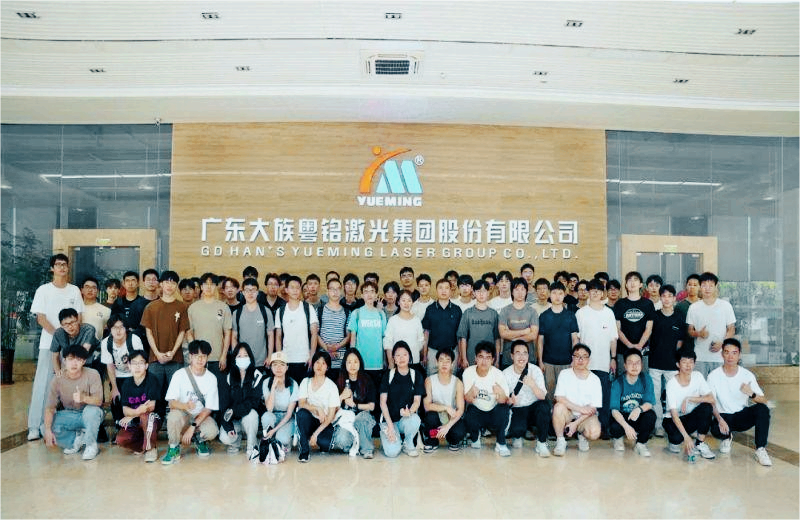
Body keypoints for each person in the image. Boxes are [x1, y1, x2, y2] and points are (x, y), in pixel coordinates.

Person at [27, 253, 84, 441]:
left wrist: (69, 338)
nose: (62, 267)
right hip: (48, 345)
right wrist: (59, 335)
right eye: (58, 264)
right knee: (43, 385)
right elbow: (41, 318)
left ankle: (59, 425)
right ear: (52, 268)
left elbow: (79, 317)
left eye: (64, 264)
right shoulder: (43, 290)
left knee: (69, 385)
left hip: (70, 347)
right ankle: (35, 426)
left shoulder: (74, 290)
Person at [708, 338, 773, 466]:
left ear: (739, 355)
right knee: (714, 428)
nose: (730, 357)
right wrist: (719, 419)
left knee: (762, 409)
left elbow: (764, 400)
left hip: (741, 416)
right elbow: (711, 402)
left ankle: (760, 449)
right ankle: (726, 437)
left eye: (734, 353)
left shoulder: (747, 375)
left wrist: (751, 393)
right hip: (723, 417)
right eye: (727, 352)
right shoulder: (713, 376)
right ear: (722, 354)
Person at [161, 340, 220, 464]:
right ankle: (174, 447)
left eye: (203, 356)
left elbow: (208, 409)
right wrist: (185, 405)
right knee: (173, 417)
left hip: (200, 416)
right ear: (190, 357)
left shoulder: (211, 378)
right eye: (196, 355)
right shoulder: (179, 375)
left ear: (207, 358)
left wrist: (192, 427)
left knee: (212, 431)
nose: (200, 359)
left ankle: (200, 440)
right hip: (183, 413)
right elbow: (171, 402)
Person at [42, 344, 103, 460]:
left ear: (84, 361)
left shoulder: (93, 374)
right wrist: (48, 430)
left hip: (89, 414)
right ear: (64, 361)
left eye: (78, 360)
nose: (74, 364)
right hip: (70, 414)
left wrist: (84, 398)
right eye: (70, 359)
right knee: (44, 427)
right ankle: (75, 440)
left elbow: (99, 401)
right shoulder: (57, 379)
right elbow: (50, 408)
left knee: (92, 411)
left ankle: (91, 445)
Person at [141, 270, 190, 415]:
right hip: (155, 359)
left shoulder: (181, 307)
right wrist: (157, 353)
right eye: (167, 282)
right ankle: (155, 422)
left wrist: (173, 352)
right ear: (161, 284)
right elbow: (148, 332)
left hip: (175, 358)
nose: (170, 285)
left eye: (173, 283)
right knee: (154, 393)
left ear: (176, 286)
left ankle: (175, 422)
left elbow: (182, 332)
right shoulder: (151, 307)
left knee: (176, 394)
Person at [576, 279, 617, 436]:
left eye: (598, 290)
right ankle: (582, 428)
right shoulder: (581, 313)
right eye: (592, 290)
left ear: (602, 293)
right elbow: (576, 339)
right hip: (584, 365)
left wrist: (613, 358)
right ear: (588, 292)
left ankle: (604, 427)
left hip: (603, 363)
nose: (595, 293)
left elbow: (613, 339)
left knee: (604, 396)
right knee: (583, 397)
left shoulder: (609, 313)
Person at [663, 347, 716, 461]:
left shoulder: (697, 376)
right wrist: (686, 437)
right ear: (678, 364)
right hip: (673, 419)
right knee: (677, 439)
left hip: (690, 416)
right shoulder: (671, 384)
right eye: (684, 362)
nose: (688, 365)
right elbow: (674, 415)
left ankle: (700, 443)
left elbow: (712, 399)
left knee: (706, 407)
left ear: (694, 364)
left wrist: (690, 399)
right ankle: (677, 439)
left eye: (691, 362)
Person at [552, 344, 603, 456]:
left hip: (585, 416)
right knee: (558, 407)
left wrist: (575, 424)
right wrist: (580, 409)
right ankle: (560, 441)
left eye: (584, 356)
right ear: (572, 358)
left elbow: (593, 408)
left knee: (594, 433)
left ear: (588, 360)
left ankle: (582, 436)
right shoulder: (564, 374)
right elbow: (559, 397)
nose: (581, 360)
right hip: (568, 413)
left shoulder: (595, 379)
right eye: (577, 356)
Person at [463, 341, 511, 457]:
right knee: (470, 411)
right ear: (475, 358)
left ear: (493, 360)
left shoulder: (498, 374)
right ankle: (475, 436)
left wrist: (500, 393)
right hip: (477, 411)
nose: (484, 361)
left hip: (493, 412)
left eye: (488, 357)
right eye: (481, 357)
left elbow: (504, 400)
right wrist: (471, 392)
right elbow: (467, 399)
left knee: (504, 409)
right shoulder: (468, 372)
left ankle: (501, 443)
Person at [503, 340, 551, 457]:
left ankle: (541, 443)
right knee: (517, 431)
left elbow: (542, 396)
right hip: (517, 409)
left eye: (525, 353)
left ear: (528, 356)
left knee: (544, 406)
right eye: (518, 353)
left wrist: (533, 385)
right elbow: (503, 400)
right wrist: (509, 401)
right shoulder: (505, 373)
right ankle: (518, 434)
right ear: (512, 356)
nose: (521, 357)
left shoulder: (535, 370)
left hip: (534, 408)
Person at [648, 284, 685, 436]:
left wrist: (676, 358)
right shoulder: (654, 315)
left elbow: (680, 342)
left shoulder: (679, 317)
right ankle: (658, 425)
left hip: (672, 364)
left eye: (670, 296)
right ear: (660, 298)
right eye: (664, 296)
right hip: (655, 363)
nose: (667, 299)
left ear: (674, 298)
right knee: (655, 395)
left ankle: (673, 423)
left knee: (672, 395)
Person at [218, 342, 264, 460]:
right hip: (233, 420)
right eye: (239, 356)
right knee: (224, 437)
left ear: (250, 358)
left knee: (252, 415)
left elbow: (253, 402)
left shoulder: (257, 375)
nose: (242, 358)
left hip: (248, 418)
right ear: (234, 359)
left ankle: (251, 446)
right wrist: (228, 427)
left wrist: (234, 410)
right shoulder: (227, 376)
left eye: (245, 355)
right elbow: (223, 406)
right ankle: (235, 442)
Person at [379, 341, 425, 457]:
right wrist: (390, 426)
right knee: (392, 453)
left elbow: (417, 401)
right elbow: (383, 403)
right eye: (398, 355)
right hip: (389, 420)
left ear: (409, 356)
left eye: (404, 354)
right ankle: (392, 438)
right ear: (393, 359)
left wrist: (409, 411)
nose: (401, 358)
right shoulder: (388, 375)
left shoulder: (416, 375)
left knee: (415, 419)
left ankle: (408, 443)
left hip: (405, 419)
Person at [686, 272, 736, 377]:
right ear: (700, 287)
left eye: (711, 286)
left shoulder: (725, 306)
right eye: (704, 285)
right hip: (700, 357)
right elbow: (690, 331)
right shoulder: (693, 307)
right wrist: (698, 333)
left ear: (716, 287)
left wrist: (722, 344)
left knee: (719, 386)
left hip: (720, 357)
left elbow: (731, 329)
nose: (707, 289)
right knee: (700, 386)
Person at [116, 350, 162, 462]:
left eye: (141, 363)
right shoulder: (126, 384)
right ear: (129, 366)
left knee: (146, 416)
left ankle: (151, 449)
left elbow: (151, 406)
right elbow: (125, 410)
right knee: (121, 439)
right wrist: (136, 412)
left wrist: (133, 413)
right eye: (134, 363)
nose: (137, 367)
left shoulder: (152, 380)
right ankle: (142, 446)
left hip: (153, 419)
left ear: (146, 365)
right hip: (135, 419)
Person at [101, 313, 145, 427]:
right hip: (118, 374)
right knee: (116, 397)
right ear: (110, 329)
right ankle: (119, 424)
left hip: (134, 373)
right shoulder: (106, 343)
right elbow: (110, 366)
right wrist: (114, 387)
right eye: (114, 328)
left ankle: (136, 423)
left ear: (126, 328)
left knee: (134, 397)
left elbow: (140, 363)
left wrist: (137, 384)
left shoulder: (134, 340)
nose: (118, 331)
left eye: (121, 327)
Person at [610, 350, 657, 457]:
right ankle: (618, 438)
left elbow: (650, 403)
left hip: (637, 415)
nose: (634, 366)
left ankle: (641, 443)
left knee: (651, 415)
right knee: (614, 425)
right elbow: (614, 410)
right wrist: (626, 427)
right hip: (623, 417)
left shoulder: (646, 379)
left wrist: (638, 409)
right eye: (630, 363)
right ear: (625, 365)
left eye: (637, 363)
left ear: (642, 364)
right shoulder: (618, 382)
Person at [537, 281, 579, 401]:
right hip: (548, 362)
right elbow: (540, 341)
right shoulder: (544, 316)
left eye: (560, 293)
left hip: (567, 362)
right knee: (549, 395)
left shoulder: (570, 315)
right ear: (549, 294)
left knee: (565, 395)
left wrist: (574, 360)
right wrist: (540, 361)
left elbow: (574, 339)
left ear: (564, 294)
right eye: (554, 293)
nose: (557, 296)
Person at [295, 350, 339, 463]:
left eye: (323, 363)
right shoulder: (306, 382)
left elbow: (330, 416)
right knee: (301, 414)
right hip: (309, 420)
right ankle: (304, 451)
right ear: (313, 364)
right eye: (317, 362)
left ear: (327, 367)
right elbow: (301, 404)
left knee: (325, 444)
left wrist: (315, 434)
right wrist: (317, 408)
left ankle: (313, 437)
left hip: (324, 423)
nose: (319, 366)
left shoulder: (332, 386)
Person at [275, 275, 320, 383]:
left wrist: (312, 356)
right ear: (286, 290)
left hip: (305, 360)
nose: (295, 290)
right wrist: (280, 359)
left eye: (297, 287)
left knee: (304, 391)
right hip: (287, 360)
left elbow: (314, 334)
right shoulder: (280, 311)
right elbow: (278, 337)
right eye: (292, 287)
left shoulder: (308, 308)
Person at [187, 272, 233, 376]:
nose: (208, 287)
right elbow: (189, 333)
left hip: (218, 358)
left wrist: (224, 356)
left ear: (216, 286)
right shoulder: (193, 308)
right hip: (199, 359)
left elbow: (227, 333)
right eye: (205, 284)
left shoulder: (223, 307)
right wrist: (194, 353)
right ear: (201, 287)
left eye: (212, 284)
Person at [336, 348, 378, 458]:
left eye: (355, 361)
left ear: (360, 363)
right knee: (342, 440)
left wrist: (355, 405)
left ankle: (367, 449)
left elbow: (372, 406)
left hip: (364, 417)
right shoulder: (340, 380)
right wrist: (341, 397)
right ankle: (355, 444)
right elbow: (333, 407)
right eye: (349, 362)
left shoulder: (367, 379)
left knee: (361, 419)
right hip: (346, 418)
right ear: (345, 364)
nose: (352, 365)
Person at [422, 349, 465, 452]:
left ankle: (452, 440)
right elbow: (427, 406)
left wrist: (447, 426)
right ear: (436, 363)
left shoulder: (458, 382)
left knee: (459, 432)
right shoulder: (429, 381)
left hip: (451, 418)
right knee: (430, 417)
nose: (444, 364)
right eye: (441, 360)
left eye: (447, 361)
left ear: (452, 364)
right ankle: (432, 441)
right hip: (436, 417)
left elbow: (460, 409)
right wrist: (446, 408)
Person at [348, 281, 388, 385]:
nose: (369, 294)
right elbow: (353, 338)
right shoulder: (356, 313)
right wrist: (352, 358)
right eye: (366, 292)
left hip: (377, 362)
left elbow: (384, 338)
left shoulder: (381, 314)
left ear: (376, 294)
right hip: (360, 362)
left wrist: (385, 359)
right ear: (362, 295)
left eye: (372, 291)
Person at [614, 271, 655, 372]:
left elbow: (649, 329)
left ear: (641, 284)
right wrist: (629, 345)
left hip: (642, 350)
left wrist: (639, 345)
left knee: (643, 378)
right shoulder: (620, 304)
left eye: (635, 280)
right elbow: (617, 329)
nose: (632, 283)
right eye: (629, 280)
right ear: (626, 285)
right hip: (623, 351)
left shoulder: (648, 304)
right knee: (623, 378)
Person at [232, 278, 275, 370]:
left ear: (258, 292)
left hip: (262, 362)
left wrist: (270, 356)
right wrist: (236, 357)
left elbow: (270, 335)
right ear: (243, 292)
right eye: (247, 290)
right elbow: (234, 337)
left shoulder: (266, 311)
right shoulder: (237, 313)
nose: (250, 293)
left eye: (253, 290)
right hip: (243, 362)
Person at [422, 278, 462, 375]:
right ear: (436, 291)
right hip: (433, 353)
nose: (443, 291)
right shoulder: (430, 309)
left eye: (446, 288)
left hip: (452, 353)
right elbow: (426, 333)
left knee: (451, 379)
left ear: (450, 291)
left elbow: (460, 335)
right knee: (431, 379)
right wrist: (424, 354)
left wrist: (460, 355)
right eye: (440, 288)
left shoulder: (457, 310)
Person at [457, 280, 501, 368]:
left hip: (489, 357)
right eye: (478, 291)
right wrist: (464, 358)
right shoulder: (467, 313)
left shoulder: (494, 314)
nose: (481, 294)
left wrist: (497, 359)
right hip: (471, 357)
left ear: (488, 293)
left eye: (484, 291)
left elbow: (497, 339)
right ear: (473, 293)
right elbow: (463, 338)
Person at [261, 352, 299, 451]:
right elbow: (269, 409)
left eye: (282, 364)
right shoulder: (266, 382)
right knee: (266, 416)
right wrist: (273, 387)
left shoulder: (293, 384)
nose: (278, 368)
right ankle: (270, 440)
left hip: (287, 418)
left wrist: (274, 430)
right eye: (275, 365)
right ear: (271, 367)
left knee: (281, 439)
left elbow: (289, 414)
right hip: (273, 416)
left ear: (287, 367)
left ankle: (283, 441)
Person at [497, 277, 538, 367]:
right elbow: (503, 334)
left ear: (526, 292)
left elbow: (533, 335)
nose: (520, 292)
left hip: (528, 358)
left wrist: (512, 336)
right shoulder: (505, 311)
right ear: (512, 292)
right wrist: (524, 331)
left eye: (523, 289)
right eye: (516, 289)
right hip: (508, 358)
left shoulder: (532, 311)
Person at [384, 290, 425, 372]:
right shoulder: (393, 320)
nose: (406, 303)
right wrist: (391, 362)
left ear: (412, 303)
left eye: (409, 300)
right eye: (403, 300)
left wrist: (413, 352)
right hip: (397, 362)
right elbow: (388, 342)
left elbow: (421, 341)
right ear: (398, 302)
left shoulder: (416, 320)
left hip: (414, 361)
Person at [316, 278, 350, 371]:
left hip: (341, 360)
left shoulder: (347, 312)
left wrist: (337, 346)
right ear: (327, 292)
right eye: (332, 289)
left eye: (338, 289)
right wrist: (327, 348)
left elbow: (348, 336)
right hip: (323, 360)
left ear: (341, 292)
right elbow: (316, 334)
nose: (335, 292)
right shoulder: (319, 310)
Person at [111, 271, 150, 350]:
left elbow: (147, 325)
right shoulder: (118, 303)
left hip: (140, 342)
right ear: (123, 284)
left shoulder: (144, 303)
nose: (130, 283)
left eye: (133, 280)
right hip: (120, 342)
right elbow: (113, 322)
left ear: (138, 283)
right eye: (127, 281)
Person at [675, 274, 700, 352]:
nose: (692, 287)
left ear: (700, 287)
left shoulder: (703, 305)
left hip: (701, 343)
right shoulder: (680, 306)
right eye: (690, 284)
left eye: (695, 285)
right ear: (686, 286)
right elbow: (677, 327)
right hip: (686, 343)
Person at [80, 276, 110, 342]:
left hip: (96, 346)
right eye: (87, 287)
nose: (90, 290)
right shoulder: (76, 308)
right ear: (82, 290)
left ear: (97, 291)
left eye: (93, 288)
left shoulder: (106, 310)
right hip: (77, 345)